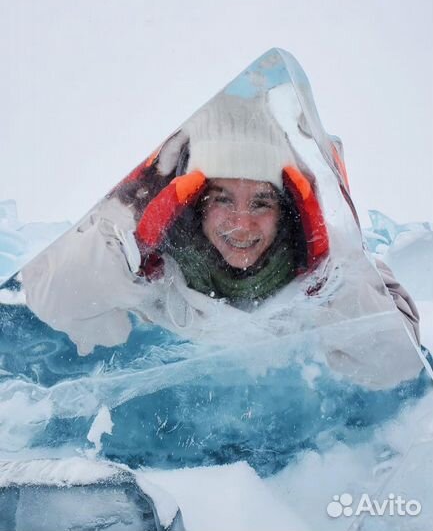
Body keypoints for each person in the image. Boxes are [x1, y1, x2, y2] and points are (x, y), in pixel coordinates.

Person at [21, 82, 423, 390]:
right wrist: (135, 250)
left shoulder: (331, 262)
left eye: (262, 202)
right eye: (223, 200)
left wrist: (325, 282)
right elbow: (47, 298)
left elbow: (401, 363)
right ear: (194, 203)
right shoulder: (155, 259)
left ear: (288, 209)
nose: (242, 224)